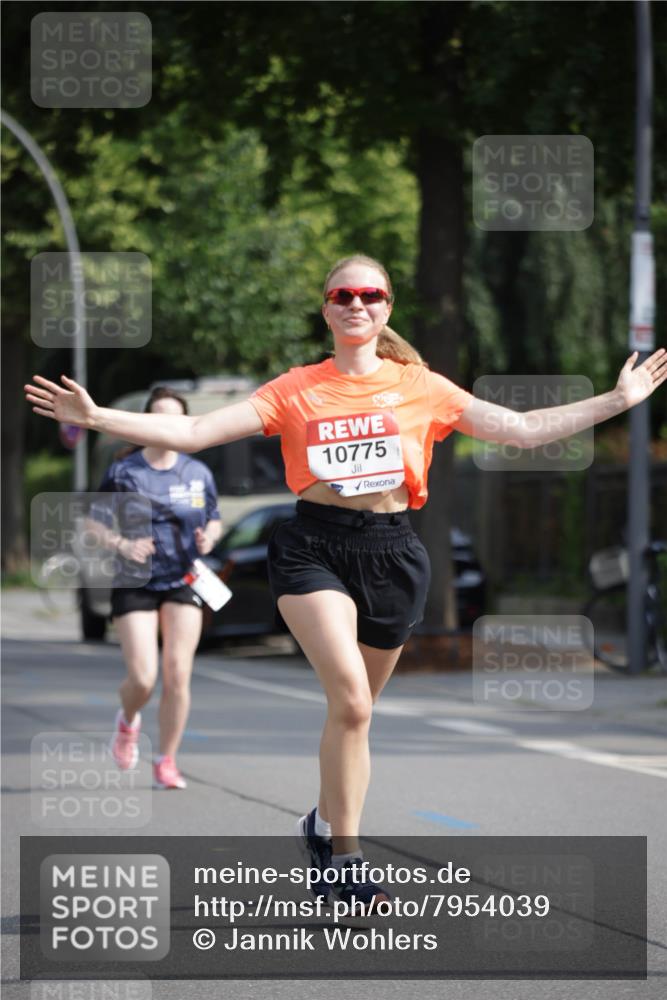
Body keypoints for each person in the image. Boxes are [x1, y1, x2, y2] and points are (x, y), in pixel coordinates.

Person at [25, 254, 666, 910]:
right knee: (353, 703)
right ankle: (346, 861)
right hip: (313, 549)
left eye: (369, 294)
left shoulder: (422, 385)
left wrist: (617, 401)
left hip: (392, 553)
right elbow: (191, 430)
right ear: (326, 307)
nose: (356, 303)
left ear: (386, 306)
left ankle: (323, 826)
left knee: (353, 714)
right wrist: (100, 416)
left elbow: (523, 430)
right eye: (342, 294)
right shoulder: (296, 388)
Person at [85, 386, 222, 790]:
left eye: (175, 419)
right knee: (144, 678)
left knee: (178, 674)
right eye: (157, 417)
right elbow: (93, 523)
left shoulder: (198, 473)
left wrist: (209, 538)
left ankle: (166, 759)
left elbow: (212, 518)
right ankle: (128, 721)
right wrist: (122, 543)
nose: (166, 426)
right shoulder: (125, 471)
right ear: (145, 422)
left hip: (184, 578)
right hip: (136, 579)